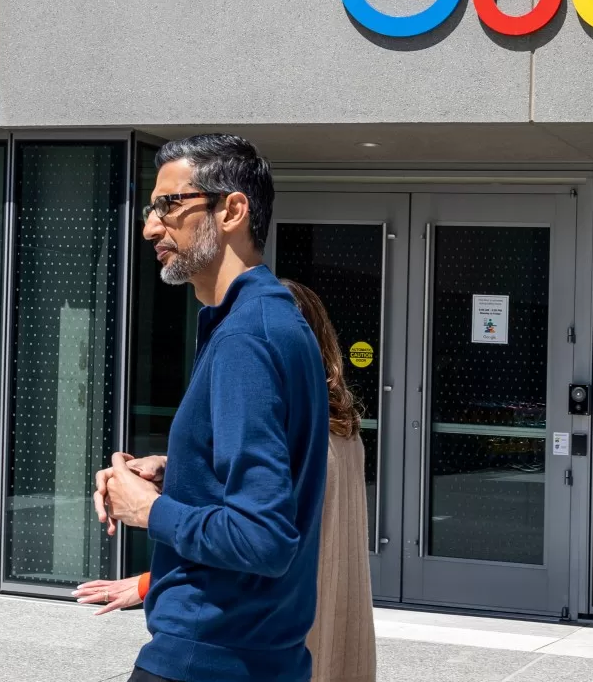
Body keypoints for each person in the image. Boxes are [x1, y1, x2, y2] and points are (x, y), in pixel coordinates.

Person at [91, 134, 329, 682]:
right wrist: (181, 469)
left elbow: (264, 538)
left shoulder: (246, 338)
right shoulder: (269, 322)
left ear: (232, 210)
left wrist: (148, 509)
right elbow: (274, 481)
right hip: (251, 653)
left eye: (168, 206)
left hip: (207, 655)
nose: (151, 227)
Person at [76, 280, 377, 682]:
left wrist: (151, 523)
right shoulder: (339, 429)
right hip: (313, 630)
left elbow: (264, 539)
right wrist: (173, 468)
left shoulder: (314, 439)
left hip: (277, 636)